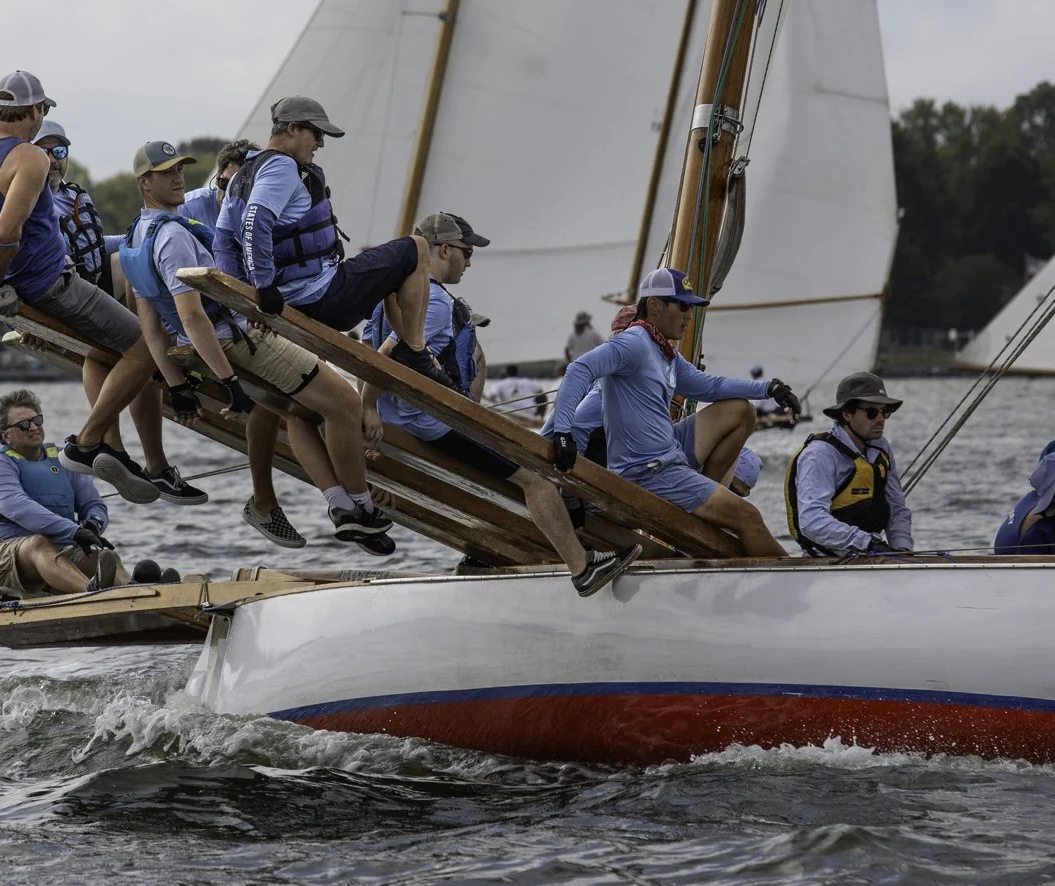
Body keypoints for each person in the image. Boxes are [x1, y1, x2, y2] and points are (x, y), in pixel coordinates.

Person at [0, 71, 205, 507]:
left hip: (9, 285)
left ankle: (121, 452)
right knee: (147, 346)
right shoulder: (27, 158)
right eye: (43, 111)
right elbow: (5, 234)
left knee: (112, 347)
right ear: (35, 110)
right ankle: (89, 442)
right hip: (48, 282)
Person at [118, 140, 394, 553]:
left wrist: (177, 385)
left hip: (205, 349)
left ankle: (339, 504)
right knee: (344, 403)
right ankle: (361, 507)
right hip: (238, 341)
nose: (178, 177)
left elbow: (153, 328)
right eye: (166, 173)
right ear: (144, 182)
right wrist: (230, 383)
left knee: (296, 411)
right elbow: (193, 317)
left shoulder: (136, 237)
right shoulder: (174, 236)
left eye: (179, 169)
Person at [363, 211, 640, 596]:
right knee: (536, 477)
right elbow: (388, 354)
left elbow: (367, 353)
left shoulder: (389, 296)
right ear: (443, 250)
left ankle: (493, 547)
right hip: (432, 423)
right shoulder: (435, 301)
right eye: (466, 251)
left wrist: (372, 409)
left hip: (408, 420)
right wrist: (366, 407)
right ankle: (582, 568)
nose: (469, 261)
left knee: (509, 465)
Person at [552, 268, 796, 558]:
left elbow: (711, 387)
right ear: (655, 306)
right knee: (749, 518)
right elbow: (579, 369)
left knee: (741, 410)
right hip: (647, 472)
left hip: (671, 453)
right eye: (682, 306)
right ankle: (797, 580)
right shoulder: (633, 342)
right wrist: (562, 433)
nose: (689, 316)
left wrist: (769, 389)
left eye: (691, 308)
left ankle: (705, 502)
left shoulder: (664, 352)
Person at [213, 96, 455, 387]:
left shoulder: (240, 176)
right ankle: (415, 350)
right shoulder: (282, 168)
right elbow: (256, 221)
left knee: (394, 273)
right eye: (317, 133)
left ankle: (407, 348)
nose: (321, 143)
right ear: (292, 128)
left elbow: (223, 244)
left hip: (290, 299)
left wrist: (247, 300)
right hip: (324, 297)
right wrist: (262, 287)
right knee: (416, 248)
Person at [0, 389, 123, 595]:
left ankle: (139, 588)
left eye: (37, 420)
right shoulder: (0, 466)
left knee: (105, 557)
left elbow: (93, 503)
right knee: (38, 544)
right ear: (6, 435)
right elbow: (21, 508)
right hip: (4, 551)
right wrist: (74, 531)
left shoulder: (63, 459)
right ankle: (93, 593)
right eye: (24, 424)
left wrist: (93, 524)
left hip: (60, 545)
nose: (33, 427)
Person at [784, 372, 914, 556]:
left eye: (885, 412)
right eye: (871, 412)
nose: (880, 419)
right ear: (846, 414)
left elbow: (897, 508)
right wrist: (867, 543)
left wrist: (902, 550)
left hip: (870, 554)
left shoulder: (881, 447)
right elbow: (811, 521)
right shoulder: (819, 455)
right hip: (826, 560)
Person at [34, 120, 112, 296]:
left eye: (59, 152)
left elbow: (93, 245)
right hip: (60, 290)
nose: (52, 160)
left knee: (129, 260)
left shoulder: (75, 195)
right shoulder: (26, 202)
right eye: (43, 152)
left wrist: (138, 236)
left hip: (90, 282)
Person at [181, 139, 256, 230]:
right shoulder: (188, 208)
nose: (228, 194)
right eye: (224, 183)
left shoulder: (262, 214)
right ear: (217, 178)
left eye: (239, 188)